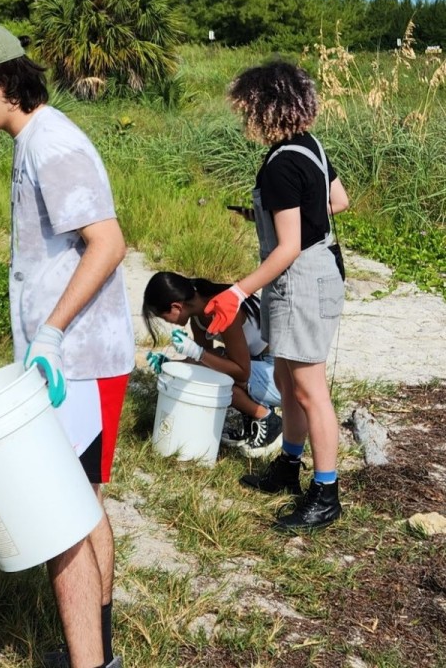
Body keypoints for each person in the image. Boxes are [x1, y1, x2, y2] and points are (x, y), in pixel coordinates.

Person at [0, 24, 132, 668]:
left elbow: (108, 242)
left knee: (58, 522)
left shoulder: (54, 146)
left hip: (76, 361)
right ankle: (97, 652)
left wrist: (49, 333)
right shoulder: (31, 140)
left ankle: (87, 661)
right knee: (83, 504)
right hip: (66, 358)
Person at [211, 60, 349, 532]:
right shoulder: (310, 146)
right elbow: (339, 201)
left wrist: (236, 291)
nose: (244, 117)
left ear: (264, 107)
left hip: (301, 282)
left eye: (247, 107)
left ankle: (326, 493)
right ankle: (289, 466)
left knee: (311, 390)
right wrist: (284, 215)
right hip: (319, 269)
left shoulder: (280, 163)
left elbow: (288, 247)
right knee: (289, 381)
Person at [142, 271, 283, 457]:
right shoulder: (199, 316)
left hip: (281, 375)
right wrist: (172, 366)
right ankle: (252, 422)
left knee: (217, 379)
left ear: (176, 307)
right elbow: (204, 361)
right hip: (260, 365)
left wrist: (197, 353)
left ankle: (268, 419)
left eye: (163, 317)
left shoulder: (224, 310)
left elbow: (241, 372)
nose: (168, 323)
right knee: (211, 369)